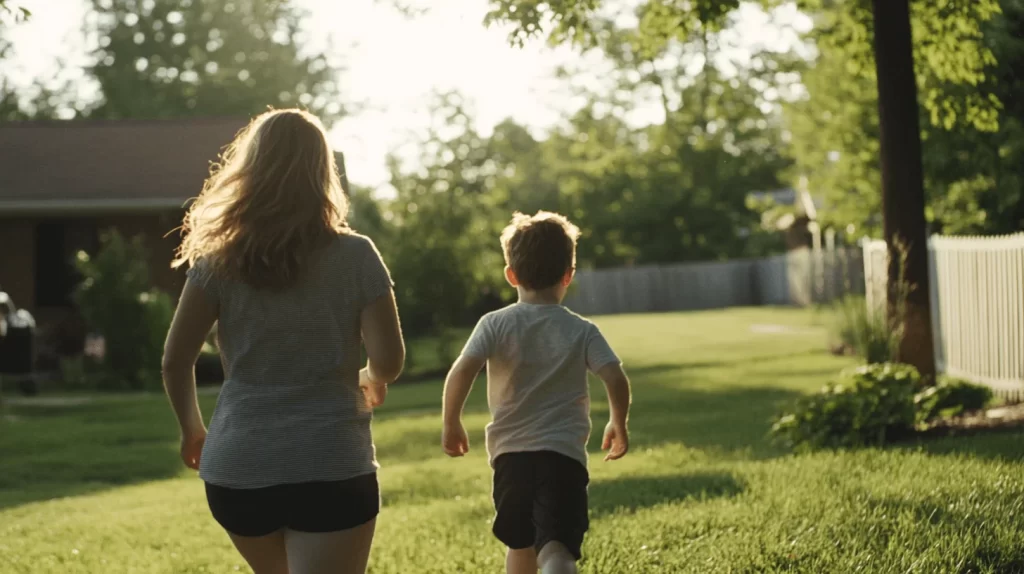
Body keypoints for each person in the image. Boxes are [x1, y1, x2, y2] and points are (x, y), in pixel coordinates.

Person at [162, 109, 404, 574]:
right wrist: (370, 377)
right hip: (330, 464)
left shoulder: (216, 261)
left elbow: (176, 360)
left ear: (250, 169)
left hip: (238, 470)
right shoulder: (356, 254)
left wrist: (192, 429)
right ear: (322, 171)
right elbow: (389, 359)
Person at [441, 211, 633, 574]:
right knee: (556, 550)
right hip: (562, 457)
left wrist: (451, 423)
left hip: (510, 459)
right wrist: (618, 422)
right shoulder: (581, 330)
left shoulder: (494, 324)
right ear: (568, 276)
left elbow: (462, 371)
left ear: (511, 275)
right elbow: (615, 377)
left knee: (520, 543)